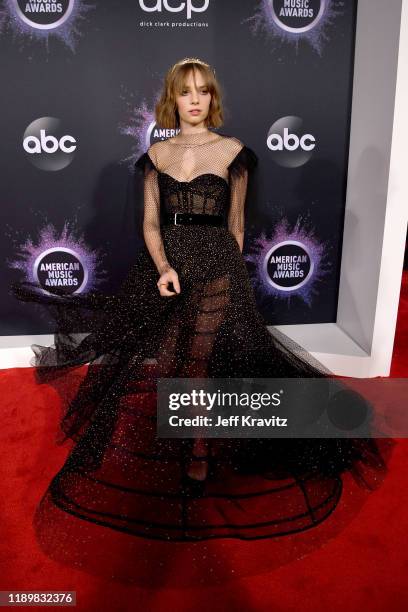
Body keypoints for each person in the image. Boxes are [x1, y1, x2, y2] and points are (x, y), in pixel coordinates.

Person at [10, 57, 389, 541]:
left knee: (201, 361)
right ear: (174, 98)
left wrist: (229, 275)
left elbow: (235, 225)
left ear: (212, 98)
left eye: (203, 91)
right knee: (169, 359)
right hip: (166, 268)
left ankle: (199, 448)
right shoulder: (154, 159)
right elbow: (150, 223)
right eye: (186, 92)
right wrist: (165, 268)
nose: (195, 100)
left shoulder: (235, 153)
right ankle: (183, 429)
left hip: (215, 267)